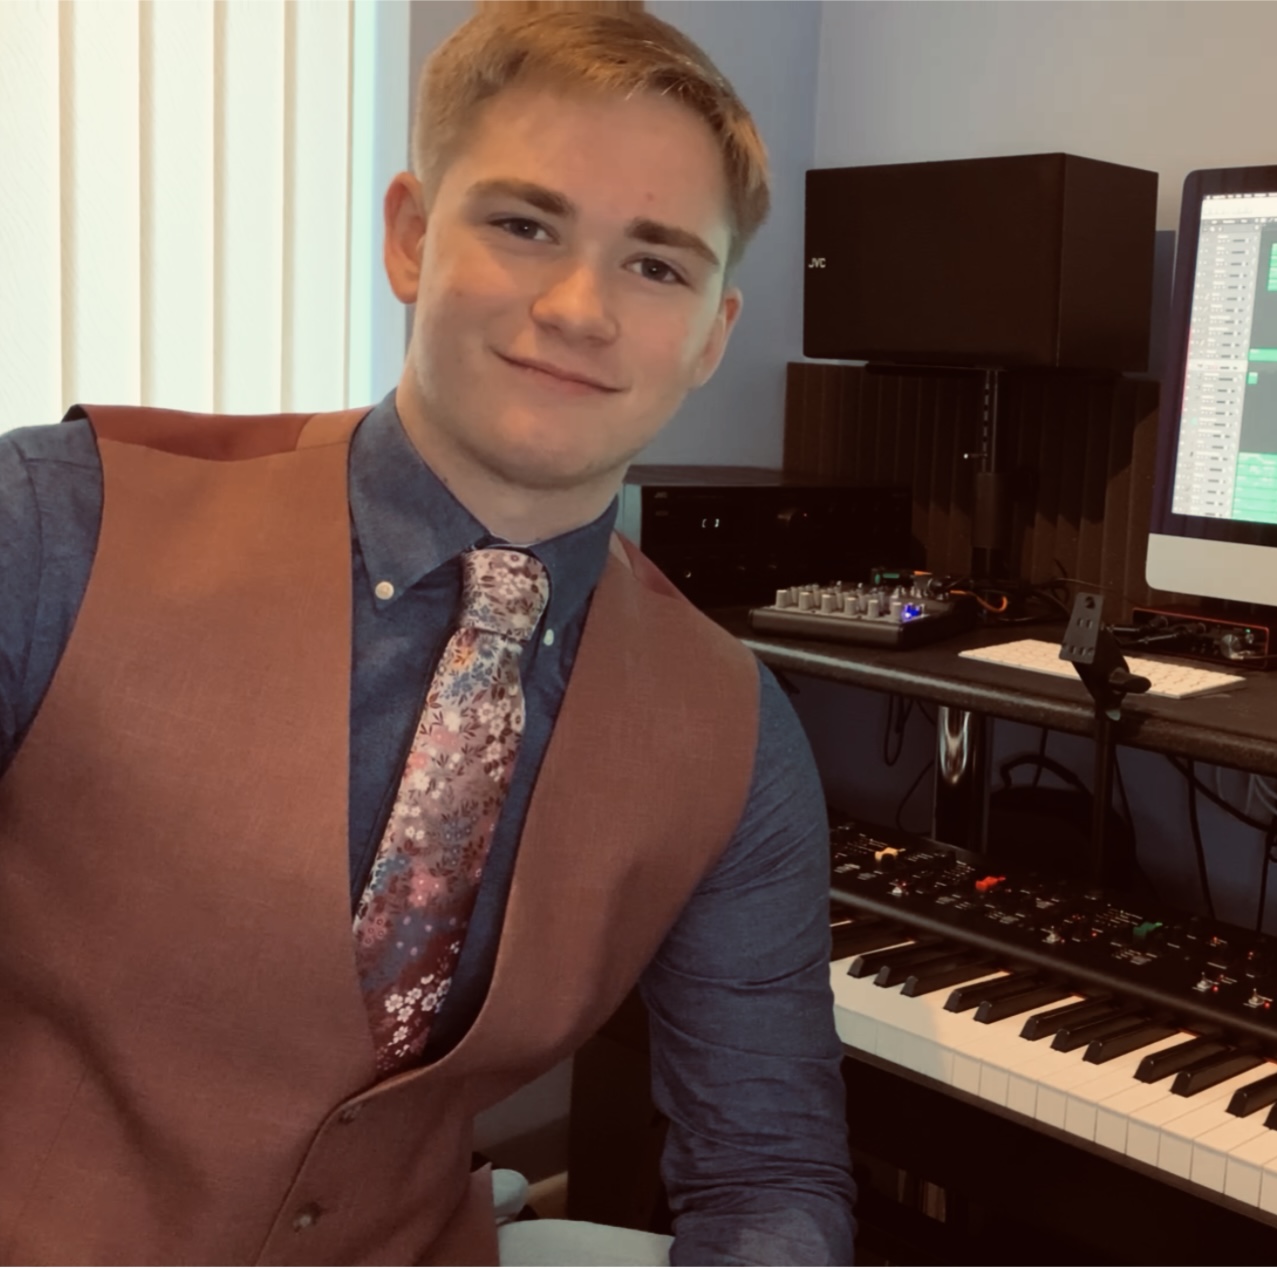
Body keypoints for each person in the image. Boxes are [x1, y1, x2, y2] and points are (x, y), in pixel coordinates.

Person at [0, 3, 853, 1264]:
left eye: (658, 263)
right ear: (408, 236)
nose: (580, 307)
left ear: (715, 333)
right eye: (524, 224)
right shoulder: (55, 522)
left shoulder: (736, 733)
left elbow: (769, 1173)